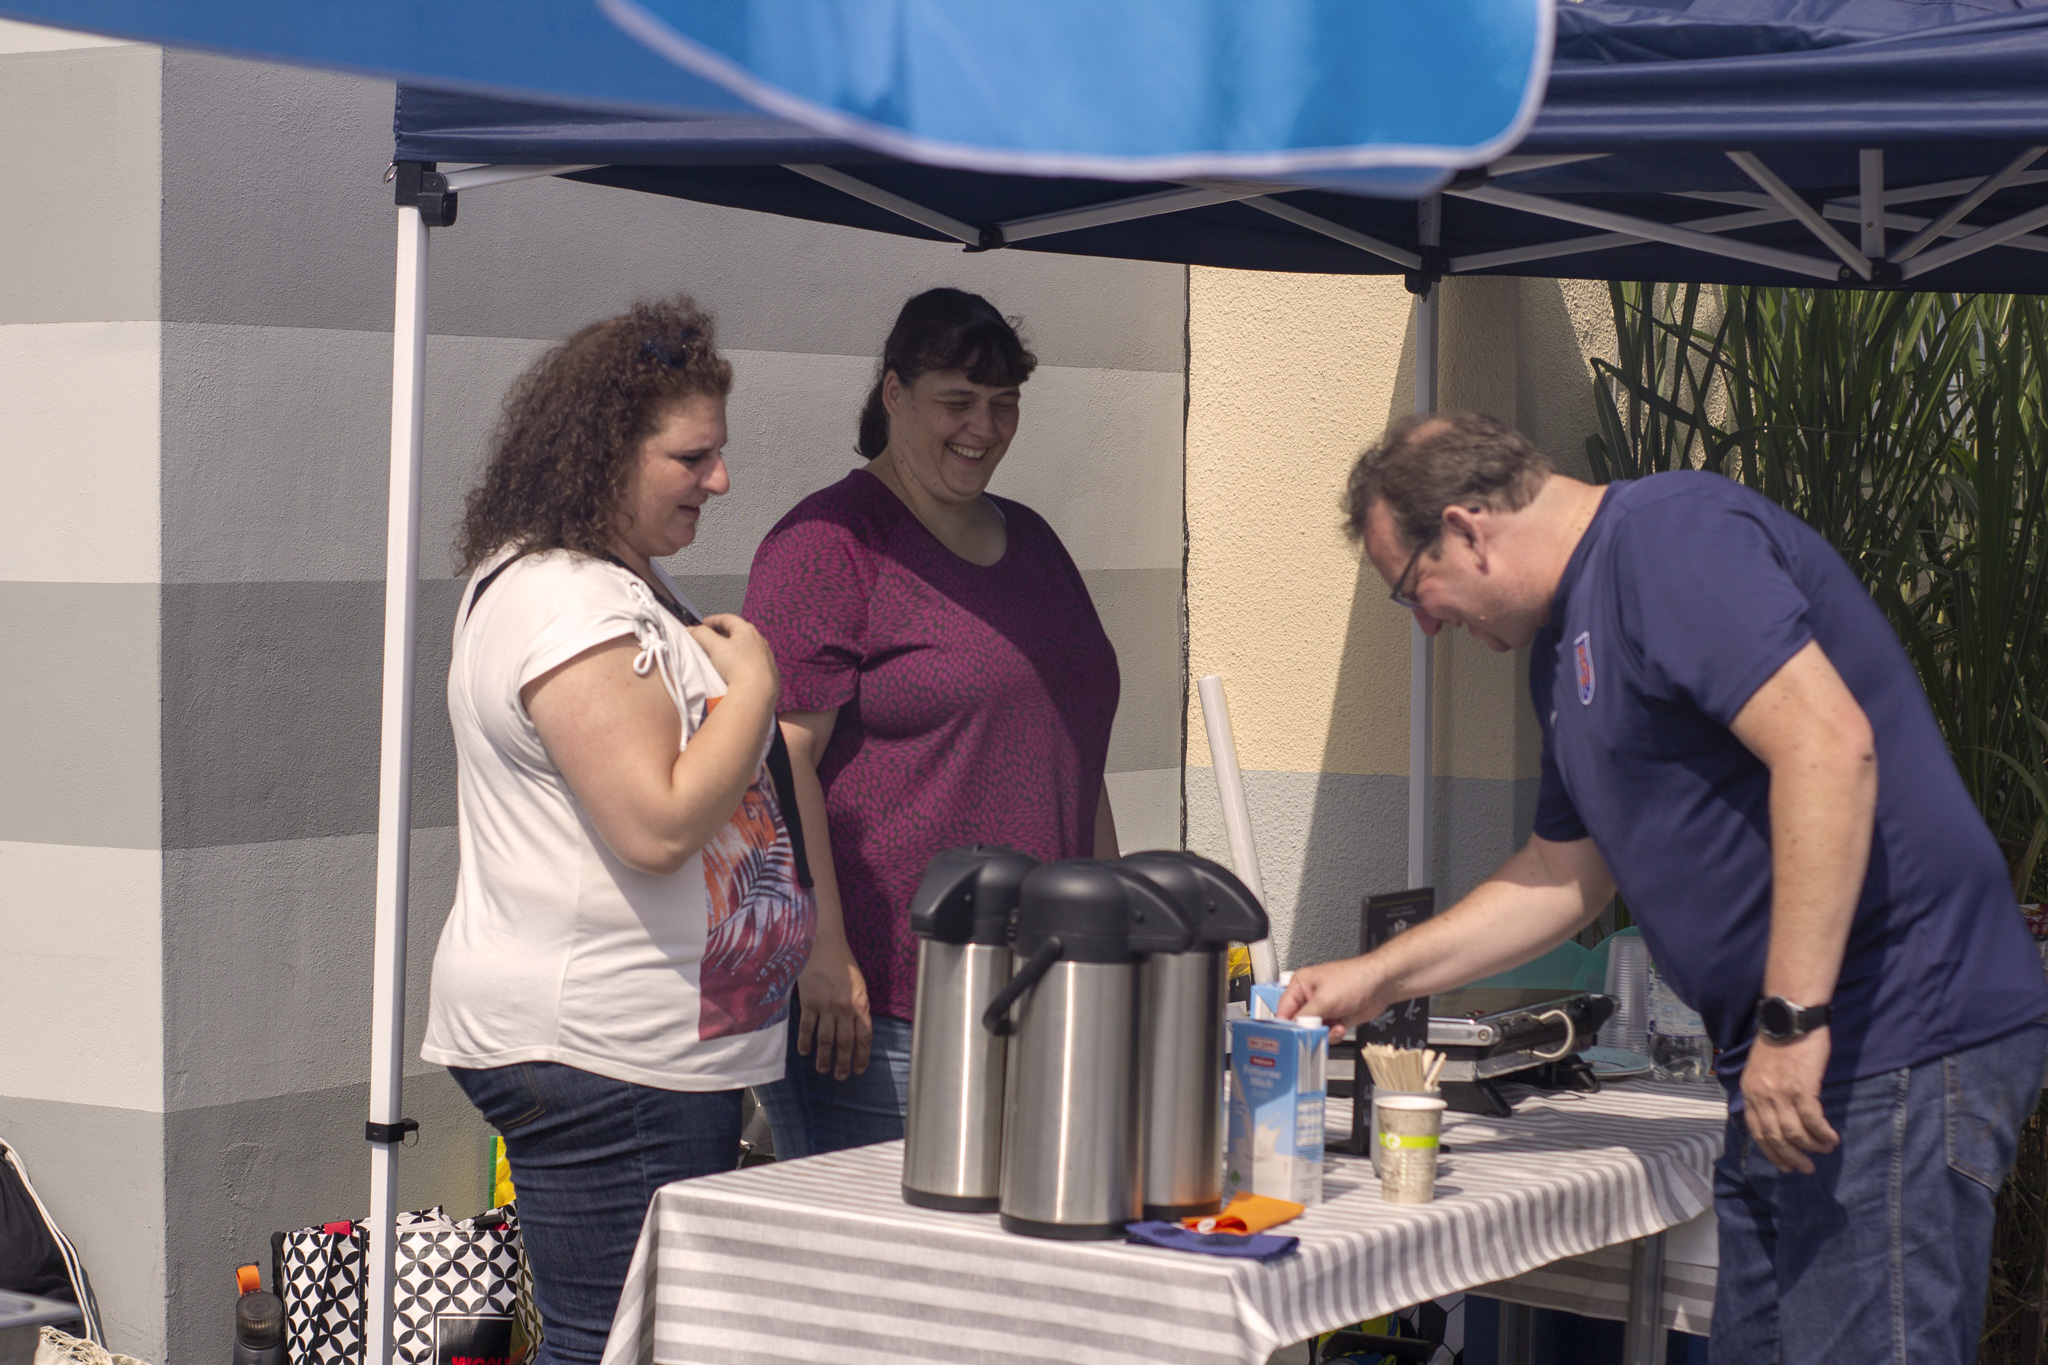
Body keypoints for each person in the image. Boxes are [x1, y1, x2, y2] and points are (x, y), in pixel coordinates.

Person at [1281, 411, 2048, 1364]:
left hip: (1888, 1030)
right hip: (1794, 1063)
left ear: (1470, 527)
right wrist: (1379, 976)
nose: (1430, 623)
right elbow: (1565, 875)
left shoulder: (1668, 538)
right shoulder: (1561, 657)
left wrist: (1792, 1020)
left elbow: (1826, 746)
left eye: (1413, 589)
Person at [420, 299, 813, 1365]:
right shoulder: (571, 608)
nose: (719, 481)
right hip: (609, 1052)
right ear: (604, 454)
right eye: (692, 456)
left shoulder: (605, 582)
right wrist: (753, 688)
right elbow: (656, 823)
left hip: (637, 1049)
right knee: (620, 1348)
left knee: (634, 1341)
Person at [743, 287, 1122, 1155]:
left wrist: (1114, 927)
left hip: (1045, 988)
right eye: (957, 400)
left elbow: (1073, 746)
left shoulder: (1034, 541)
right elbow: (777, 762)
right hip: (889, 1007)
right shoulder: (831, 542)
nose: (981, 428)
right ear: (893, 396)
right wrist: (823, 952)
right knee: (888, 1279)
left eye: (1004, 404)